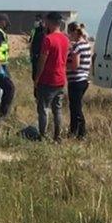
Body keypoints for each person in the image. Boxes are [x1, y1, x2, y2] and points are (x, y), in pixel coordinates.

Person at [33, 12, 69, 141]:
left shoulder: (48, 39)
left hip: (48, 79)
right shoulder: (65, 39)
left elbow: (42, 60)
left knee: (43, 109)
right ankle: (57, 137)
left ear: (50, 22)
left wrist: (37, 78)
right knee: (57, 109)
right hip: (60, 79)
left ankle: (43, 136)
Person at [66, 22, 92, 139]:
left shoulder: (77, 47)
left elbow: (75, 65)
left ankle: (80, 132)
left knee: (75, 108)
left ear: (73, 32)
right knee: (75, 106)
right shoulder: (86, 45)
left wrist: (64, 63)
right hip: (84, 79)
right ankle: (74, 131)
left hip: (76, 80)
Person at [28, 13, 46, 79]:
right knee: (34, 75)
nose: (36, 21)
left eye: (38, 20)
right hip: (34, 55)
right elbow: (31, 41)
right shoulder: (34, 30)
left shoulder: (43, 32)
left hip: (39, 55)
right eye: (36, 19)